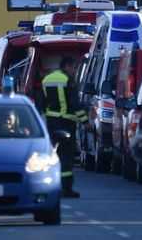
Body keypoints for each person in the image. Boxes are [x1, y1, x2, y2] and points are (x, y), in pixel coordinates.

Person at [40, 55, 86, 198]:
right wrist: (85, 121)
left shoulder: (47, 79)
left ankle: (50, 186)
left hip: (51, 122)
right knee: (66, 156)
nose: (74, 71)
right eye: (74, 68)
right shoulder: (68, 80)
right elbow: (75, 104)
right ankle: (66, 189)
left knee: (53, 155)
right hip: (66, 123)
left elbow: (42, 103)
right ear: (67, 65)